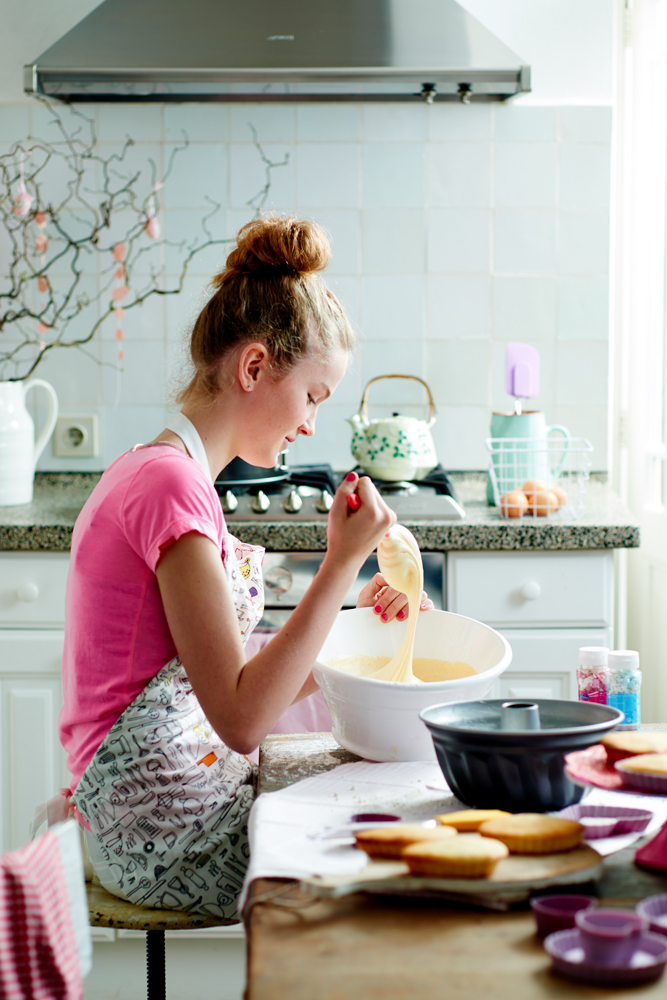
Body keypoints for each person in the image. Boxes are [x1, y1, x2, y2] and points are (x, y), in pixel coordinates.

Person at [59, 216, 429, 919]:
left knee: (391, 795)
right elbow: (240, 718)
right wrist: (337, 566)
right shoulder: (171, 489)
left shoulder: (162, 472)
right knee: (400, 843)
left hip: (166, 798)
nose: (311, 424)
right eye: (314, 396)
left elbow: (224, 684)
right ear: (254, 367)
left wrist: (355, 624)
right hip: (163, 831)